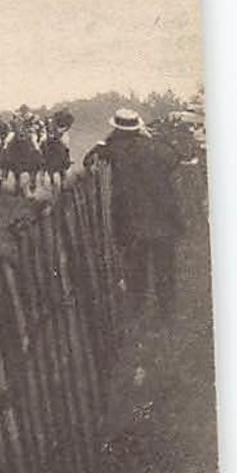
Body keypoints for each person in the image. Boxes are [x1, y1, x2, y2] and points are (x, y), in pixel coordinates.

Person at [83, 108, 183, 318]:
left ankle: (137, 310)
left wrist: (105, 140)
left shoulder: (112, 149)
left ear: (117, 129)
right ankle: (166, 314)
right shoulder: (156, 147)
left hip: (132, 220)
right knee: (164, 270)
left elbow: (88, 159)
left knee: (137, 268)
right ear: (138, 126)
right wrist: (148, 136)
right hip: (163, 217)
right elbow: (175, 158)